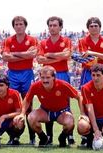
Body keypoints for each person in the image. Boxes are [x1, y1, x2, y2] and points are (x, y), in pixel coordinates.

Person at [14, 66, 83, 147]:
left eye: (48, 77)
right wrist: (22, 113)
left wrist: (82, 114)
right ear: (39, 77)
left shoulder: (63, 85)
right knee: (31, 117)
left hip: (62, 112)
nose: (45, 80)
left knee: (70, 122)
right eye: (42, 77)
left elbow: (79, 96)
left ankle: (62, 137)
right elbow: (27, 99)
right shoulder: (35, 86)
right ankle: (43, 138)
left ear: (53, 77)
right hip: (45, 111)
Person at [37, 16, 74, 145]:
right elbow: (40, 60)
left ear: (60, 27)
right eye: (50, 25)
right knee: (48, 103)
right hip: (47, 76)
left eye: (55, 25)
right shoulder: (43, 43)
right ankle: (49, 136)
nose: (52, 28)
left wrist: (49, 55)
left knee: (66, 103)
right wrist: (59, 56)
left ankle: (69, 134)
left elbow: (67, 55)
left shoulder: (66, 40)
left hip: (62, 74)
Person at [2, 16, 38, 145]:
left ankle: (32, 137)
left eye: (21, 24)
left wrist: (15, 54)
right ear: (13, 26)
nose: (18, 26)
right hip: (12, 74)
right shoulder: (8, 40)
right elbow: (6, 57)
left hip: (27, 73)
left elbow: (32, 55)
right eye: (16, 24)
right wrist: (24, 54)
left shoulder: (32, 40)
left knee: (28, 106)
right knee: (13, 106)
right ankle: (14, 136)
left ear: (25, 25)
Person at [78, 17, 103, 88]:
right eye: (91, 26)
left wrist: (93, 53)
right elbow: (86, 58)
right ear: (88, 28)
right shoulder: (82, 41)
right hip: (88, 72)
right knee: (86, 96)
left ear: (100, 27)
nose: (94, 28)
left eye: (96, 26)